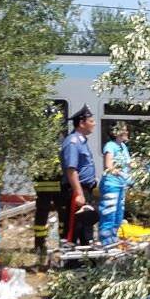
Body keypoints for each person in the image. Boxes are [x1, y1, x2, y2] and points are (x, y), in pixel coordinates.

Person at [31, 107, 67, 260]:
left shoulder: (39, 139)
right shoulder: (59, 140)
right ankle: (62, 243)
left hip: (43, 185)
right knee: (62, 215)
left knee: (41, 216)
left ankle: (40, 244)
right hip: (56, 184)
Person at [60, 105, 98, 245]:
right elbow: (71, 170)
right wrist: (79, 193)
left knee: (85, 223)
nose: (94, 124)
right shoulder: (72, 142)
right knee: (73, 225)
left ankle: (85, 258)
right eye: (91, 121)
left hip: (85, 188)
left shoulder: (82, 141)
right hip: (76, 190)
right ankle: (70, 260)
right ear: (82, 123)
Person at [97, 122, 132, 245]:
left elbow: (128, 164)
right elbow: (108, 165)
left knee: (118, 216)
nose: (127, 132)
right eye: (124, 130)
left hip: (122, 185)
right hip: (111, 184)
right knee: (109, 214)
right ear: (117, 133)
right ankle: (106, 243)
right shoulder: (110, 146)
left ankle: (113, 240)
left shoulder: (123, 146)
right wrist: (119, 172)